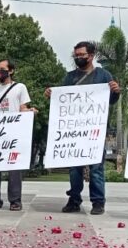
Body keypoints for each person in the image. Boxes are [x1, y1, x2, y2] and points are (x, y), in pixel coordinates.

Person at [45, 41, 121, 215]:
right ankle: (74, 200)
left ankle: (98, 202)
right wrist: (52, 95)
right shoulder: (69, 77)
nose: (78, 58)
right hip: (73, 131)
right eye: (76, 56)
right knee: (74, 169)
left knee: (96, 168)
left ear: (91, 56)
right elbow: (62, 101)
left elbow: (110, 100)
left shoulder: (104, 75)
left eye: (82, 55)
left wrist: (116, 91)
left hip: (95, 131)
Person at [0, 59, 37, 212]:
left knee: (14, 168)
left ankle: (15, 201)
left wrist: (30, 112)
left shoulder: (20, 88)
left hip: (14, 133)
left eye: (2, 69)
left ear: (11, 71)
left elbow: (23, 108)